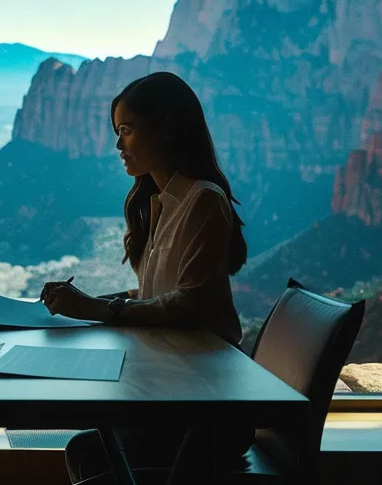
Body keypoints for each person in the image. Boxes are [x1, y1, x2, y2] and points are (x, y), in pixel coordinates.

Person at [39, 71, 250, 484]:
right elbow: (155, 293)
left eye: (127, 131)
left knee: (89, 449)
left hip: (205, 411)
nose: (118, 145)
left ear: (167, 128)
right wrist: (85, 301)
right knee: (87, 447)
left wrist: (97, 308)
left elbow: (189, 305)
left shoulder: (203, 200)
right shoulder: (160, 202)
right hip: (176, 390)